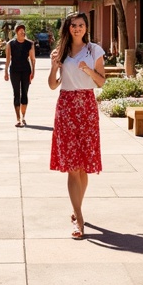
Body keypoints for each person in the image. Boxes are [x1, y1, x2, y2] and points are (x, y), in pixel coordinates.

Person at [48, 12, 106, 239]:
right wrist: (54, 66)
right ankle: (79, 218)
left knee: (83, 166)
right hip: (66, 106)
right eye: (74, 25)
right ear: (68, 28)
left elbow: (101, 81)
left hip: (87, 107)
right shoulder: (60, 52)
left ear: (86, 28)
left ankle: (76, 209)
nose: (77, 29)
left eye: (81, 25)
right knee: (73, 166)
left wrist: (88, 70)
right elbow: (53, 86)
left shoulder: (94, 51)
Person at [4, 23, 35, 127]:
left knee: (25, 93)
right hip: (14, 71)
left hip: (26, 71)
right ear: (16, 32)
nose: (22, 32)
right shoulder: (10, 44)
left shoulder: (29, 44)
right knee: (16, 94)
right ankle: (18, 119)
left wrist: (33, 72)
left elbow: (32, 59)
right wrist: (5, 72)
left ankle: (23, 116)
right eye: (20, 30)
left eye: (23, 30)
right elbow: (8, 59)